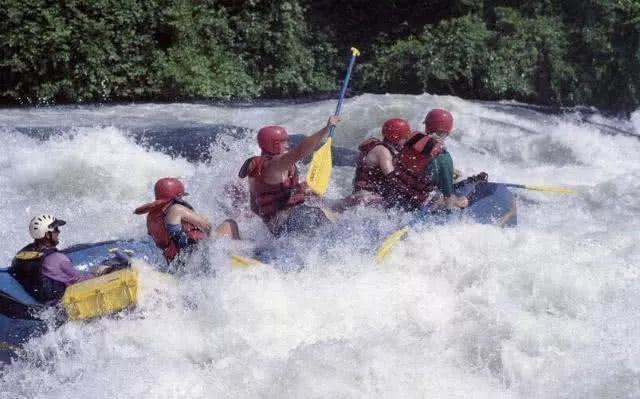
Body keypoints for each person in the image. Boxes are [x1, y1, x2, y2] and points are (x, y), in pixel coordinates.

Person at [238, 116, 341, 237]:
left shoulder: (260, 167)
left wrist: (301, 191)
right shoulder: (274, 164)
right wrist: (326, 128)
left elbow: (255, 207)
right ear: (275, 144)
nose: (288, 145)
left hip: (280, 228)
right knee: (317, 215)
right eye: (284, 142)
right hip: (287, 224)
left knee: (332, 211)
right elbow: (299, 152)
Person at [134, 177, 240, 266]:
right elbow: (208, 227)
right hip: (198, 258)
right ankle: (239, 257)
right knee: (230, 223)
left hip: (175, 263)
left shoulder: (152, 217)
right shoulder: (177, 209)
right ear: (178, 196)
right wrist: (215, 240)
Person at [9, 215, 100, 304]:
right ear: (48, 235)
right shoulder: (57, 259)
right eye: (56, 230)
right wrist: (99, 273)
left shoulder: (22, 254)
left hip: (35, 296)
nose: (59, 232)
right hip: (54, 304)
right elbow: (80, 279)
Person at [422, 108, 472, 209]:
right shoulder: (443, 157)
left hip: (403, 194)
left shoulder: (412, 142)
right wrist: (460, 202)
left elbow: (424, 165)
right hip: (422, 202)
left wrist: (451, 170)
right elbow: (448, 198)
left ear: (426, 126)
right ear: (448, 131)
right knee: (461, 200)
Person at [352, 118, 411, 201]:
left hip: (362, 194)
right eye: (405, 138)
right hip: (366, 197)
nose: (406, 140)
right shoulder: (383, 152)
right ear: (397, 137)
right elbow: (392, 177)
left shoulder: (380, 147)